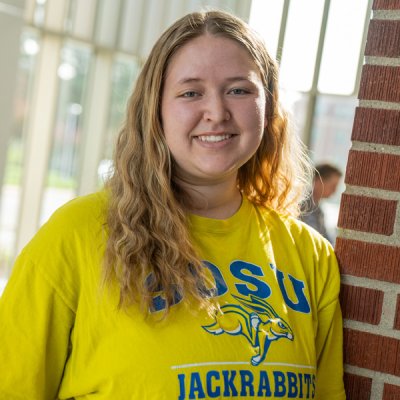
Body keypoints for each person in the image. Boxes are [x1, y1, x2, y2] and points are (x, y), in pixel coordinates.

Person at [0, 10, 345, 399]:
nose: (216, 112)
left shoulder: (311, 255)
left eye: (238, 89)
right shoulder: (77, 235)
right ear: (156, 111)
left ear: (268, 105)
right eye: (190, 92)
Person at [300, 163, 343, 243]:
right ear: (318, 181)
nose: (335, 191)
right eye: (333, 186)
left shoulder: (319, 210)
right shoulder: (300, 206)